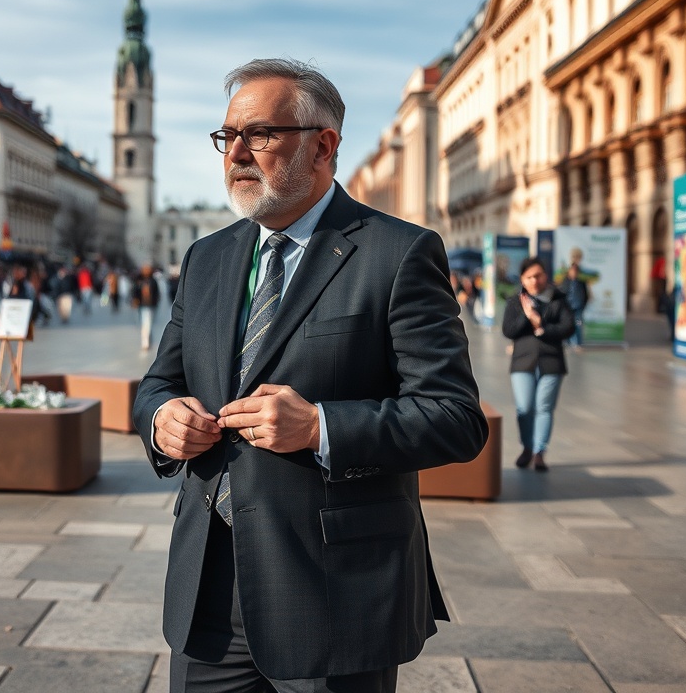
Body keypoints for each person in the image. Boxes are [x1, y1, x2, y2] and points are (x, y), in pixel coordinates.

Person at [132, 58, 487, 692]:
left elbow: (454, 419)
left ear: (323, 146)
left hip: (335, 596)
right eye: (227, 136)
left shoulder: (397, 253)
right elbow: (158, 384)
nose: (236, 153)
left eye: (259, 134)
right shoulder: (207, 257)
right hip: (211, 594)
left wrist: (321, 425)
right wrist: (163, 421)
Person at [502, 256, 574, 472]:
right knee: (524, 408)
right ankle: (527, 447)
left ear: (546, 276)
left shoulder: (558, 299)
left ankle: (539, 452)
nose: (535, 280)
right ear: (523, 279)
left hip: (551, 361)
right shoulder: (515, 302)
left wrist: (541, 326)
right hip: (523, 361)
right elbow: (508, 330)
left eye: (539, 275)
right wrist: (527, 316)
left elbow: (568, 328)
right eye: (529, 277)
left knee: (544, 407)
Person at [559, 262, 589, 348]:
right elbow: (562, 293)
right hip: (567, 308)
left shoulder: (581, 282)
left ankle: (578, 344)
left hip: (578, 308)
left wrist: (583, 305)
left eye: (576, 271)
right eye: (573, 270)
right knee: (567, 325)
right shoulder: (565, 281)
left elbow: (585, 295)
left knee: (578, 325)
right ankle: (567, 342)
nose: (574, 273)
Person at [132, 264, 160, 352]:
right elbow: (135, 291)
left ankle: (147, 341)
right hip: (142, 305)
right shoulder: (139, 281)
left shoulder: (153, 281)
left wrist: (156, 302)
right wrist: (135, 300)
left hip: (151, 305)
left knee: (148, 324)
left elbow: (156, 293)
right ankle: (146, 342)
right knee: (144, 324)